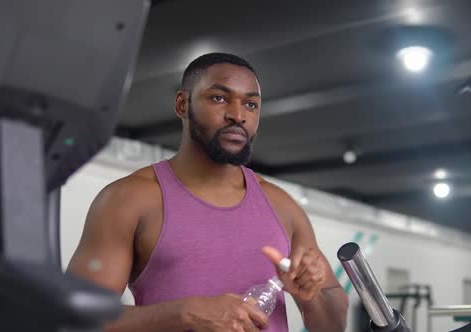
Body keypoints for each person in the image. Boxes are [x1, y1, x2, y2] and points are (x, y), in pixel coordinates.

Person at [67, 53, 349, 332]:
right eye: (219, 98)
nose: (238, 115)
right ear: (182, 104)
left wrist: (307, 297)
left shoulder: (282, 207)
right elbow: (72, 318)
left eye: (251, 104)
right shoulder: (129, 199)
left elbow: (332, 326)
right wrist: (185, 313)